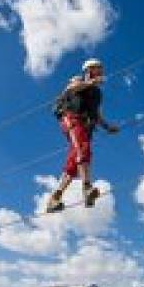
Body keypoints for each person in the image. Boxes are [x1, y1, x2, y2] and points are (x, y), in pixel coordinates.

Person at [46, 58, 120, 213]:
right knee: (83, 150)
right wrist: (90, 83)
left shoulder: (97, 93)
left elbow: (97, 114)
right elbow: (70, 89)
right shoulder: (78, 82)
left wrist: (107, 127)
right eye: (97, 68)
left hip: (86, 127)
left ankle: (55, 198)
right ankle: (87, 188)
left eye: (101, 69)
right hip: (73, 119)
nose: (101, 71)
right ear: (89, 70)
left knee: (73, 165)